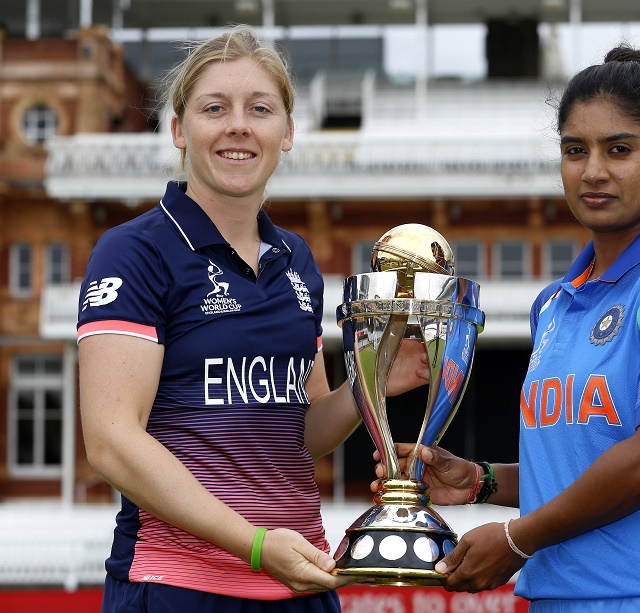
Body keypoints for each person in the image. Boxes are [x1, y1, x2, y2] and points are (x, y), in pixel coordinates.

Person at [375, 45, 640, 612]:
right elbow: (579, 463)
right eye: (576, 151)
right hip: (558, 598)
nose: (593, 171)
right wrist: (482, 482)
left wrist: (516, 538)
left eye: (619, 150)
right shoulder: (554, 302)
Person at [77, 25, 428, 613]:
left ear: (286, 133)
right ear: (178, 130)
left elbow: (303, 434)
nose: (238, 125)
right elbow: (112, 443)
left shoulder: (297, 260)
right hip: (178, 585)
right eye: (214, 108)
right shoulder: (134, 251)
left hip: (299, 581)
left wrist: (368, 386)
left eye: (259, 109)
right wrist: (256, 546)